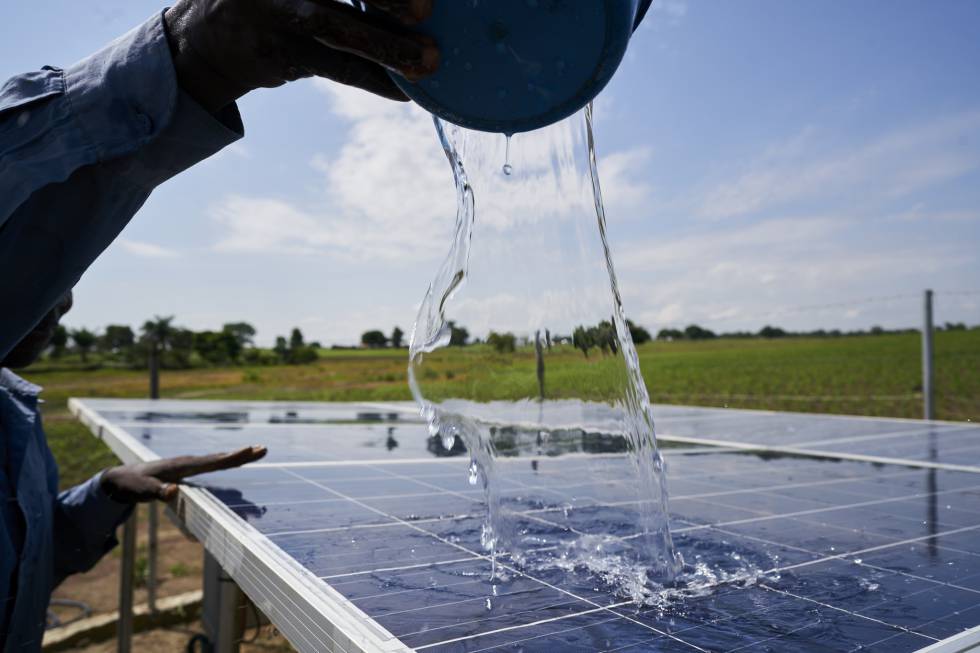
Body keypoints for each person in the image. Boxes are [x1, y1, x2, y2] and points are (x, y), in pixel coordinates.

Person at [0, 1, 438, 649]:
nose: (61, 300)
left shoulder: (17, 417)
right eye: (48, 265)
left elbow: (30, 559)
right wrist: (181, 60)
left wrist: (104, 493)